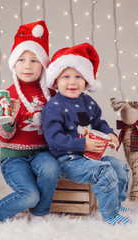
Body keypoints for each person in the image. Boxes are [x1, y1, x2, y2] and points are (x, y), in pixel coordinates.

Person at [42, 43, 131, 226]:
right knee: (103, 171)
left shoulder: (88, 102)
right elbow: (54, 139)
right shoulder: (54, 107)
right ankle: (110, 215)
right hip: (67, 160)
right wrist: (84, 145)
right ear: (56, 81)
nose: (72, 82)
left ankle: (117, 203)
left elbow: (99, 122)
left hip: (90, 156)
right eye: (66, 76)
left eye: (78, 76)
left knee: (121, 168)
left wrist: (110, 134)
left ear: (87, 81)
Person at [0, 21, 60, 223]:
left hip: (41, 153)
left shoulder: (51, 94)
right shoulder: (6, 95)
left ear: (43, 64)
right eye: (21, 59)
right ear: (14, 63)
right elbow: (1, 135)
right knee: (29, 194)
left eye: (34, 61)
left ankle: (39, 214)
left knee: (51, 167)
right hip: (14, 158)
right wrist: (10, 120)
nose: (27, 65)